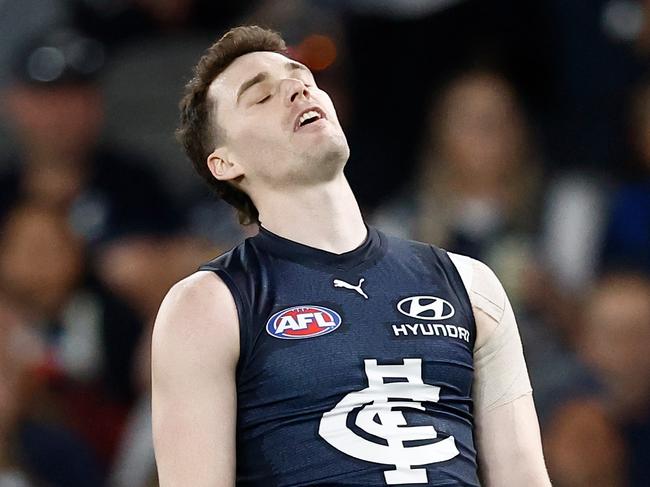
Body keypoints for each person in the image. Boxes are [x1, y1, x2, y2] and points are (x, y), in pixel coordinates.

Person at [151, 25, 551, 486]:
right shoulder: (208, 305)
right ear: (224, 163)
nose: (297, 89)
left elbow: (524, 477)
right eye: (261, 97)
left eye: (301, 78)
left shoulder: (469, 283)